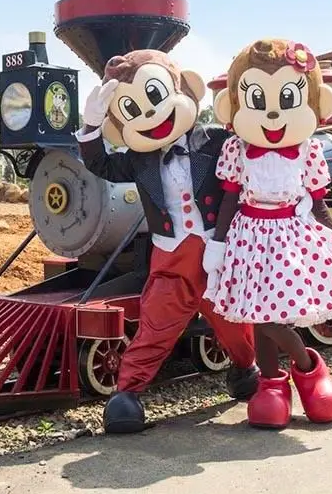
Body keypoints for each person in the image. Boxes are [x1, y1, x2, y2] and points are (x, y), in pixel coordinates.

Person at [75, 49, 259, 434]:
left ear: (182, 89)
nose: (150, 116)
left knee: (232, 322)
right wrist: (90, 125)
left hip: (217, 253)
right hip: (170, 257)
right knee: (155, 324)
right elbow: (100, 165)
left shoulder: (216, 141)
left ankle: (246, 369)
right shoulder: (138, 158)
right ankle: (127, 393)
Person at [203, 38, 332, 429]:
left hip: (290, 237)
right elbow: (230, 198)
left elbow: (317, 203)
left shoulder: (308, 151)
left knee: (271, 314)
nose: (271, 113)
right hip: (248, 238)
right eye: (256, 99)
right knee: (258, 314)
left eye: (287, 98)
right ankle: (272, 386)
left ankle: (308, 370)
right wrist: (217, 242)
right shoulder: (235, 149)